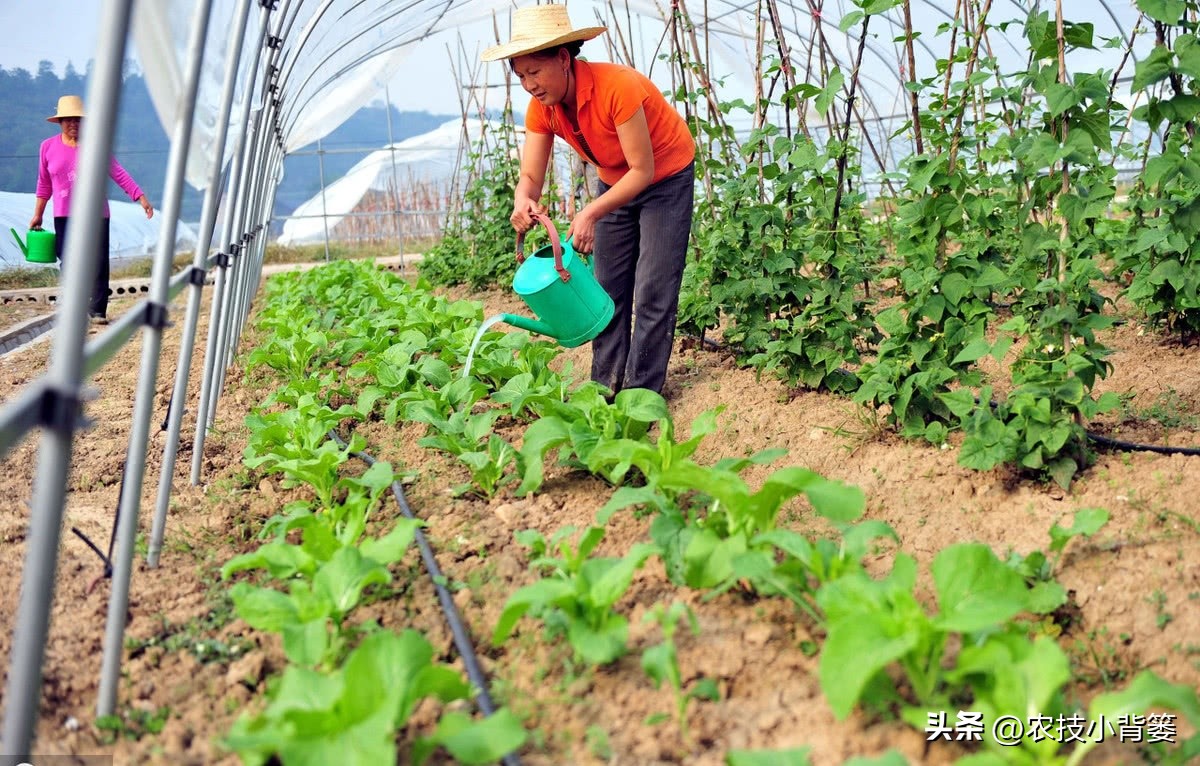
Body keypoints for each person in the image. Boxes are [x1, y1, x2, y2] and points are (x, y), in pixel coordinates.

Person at [482, 4, 696, 397]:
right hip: (616, 182)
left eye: (535, 71)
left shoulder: (618, 87)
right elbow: (530, 176)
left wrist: (591, 213)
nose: (529, 84)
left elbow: (642, 172)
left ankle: (640, 394)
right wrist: (521, 198)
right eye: (521, 76)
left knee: (652, 288)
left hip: (664, 178)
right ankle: (605, 387)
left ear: (563, 59)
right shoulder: (542, 108)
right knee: (607, 287)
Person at [29, 95, 154, 324]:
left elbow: (117, 172)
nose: (73, 124)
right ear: (60, 122)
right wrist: (38, 213)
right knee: (67, 259)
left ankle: (98, 310)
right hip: (64, 214)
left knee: (98, 261)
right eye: (68, 120)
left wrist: (140, 197)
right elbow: (44, 182)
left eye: (77, 119)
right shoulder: (47, 147)